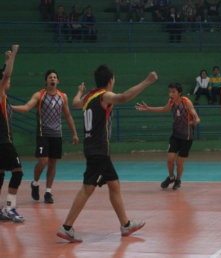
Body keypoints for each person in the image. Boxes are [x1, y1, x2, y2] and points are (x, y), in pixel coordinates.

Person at [56, 65, 158, 242]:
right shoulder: (104, 95)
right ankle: (66, 227)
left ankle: (125, 225)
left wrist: (79, 92)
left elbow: (74, 103)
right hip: (98, 149)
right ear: (110, 81)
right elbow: (124, 97)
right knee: (88, 188)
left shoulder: (88, 97)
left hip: (92, 147)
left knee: (114, 184)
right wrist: (146, 82)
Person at [12, 70, 79, 204]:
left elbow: (68, 116)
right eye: (50, 77)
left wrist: (75, 133)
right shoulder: (39, 95)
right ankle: (35, 183)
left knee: (53, 163)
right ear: (46, 81)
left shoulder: (63, 97)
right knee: (43, 161)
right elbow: (26, 107)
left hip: (57, 134)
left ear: (57, 81)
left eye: (54, 77)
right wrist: (10, 107)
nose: (52, 79)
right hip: (43, 134)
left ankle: (48, 192)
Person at [136, 82, 200, 190]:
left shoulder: (186, 102)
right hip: (175, 135)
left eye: (173, 92)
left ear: (179, 93)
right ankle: (171, 178)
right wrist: (149, 108)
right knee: (170, 159)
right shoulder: (171, 102)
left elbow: (195, 114)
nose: (171, 94)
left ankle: (178, 180)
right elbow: (163, 109)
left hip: (187, 137)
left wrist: (196, 120)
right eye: (170, 91)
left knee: (179, 162)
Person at [0, 45, 24, 223]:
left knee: (0, 175)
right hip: (3, 143)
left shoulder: (5, 98)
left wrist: (6, 61)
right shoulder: (0, 94)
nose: (9, 80)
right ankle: (9, 208)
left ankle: (4, 210)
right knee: (17, 172)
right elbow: (6, 74)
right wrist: (14, 55)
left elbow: (5, 73)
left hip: (3, 142)